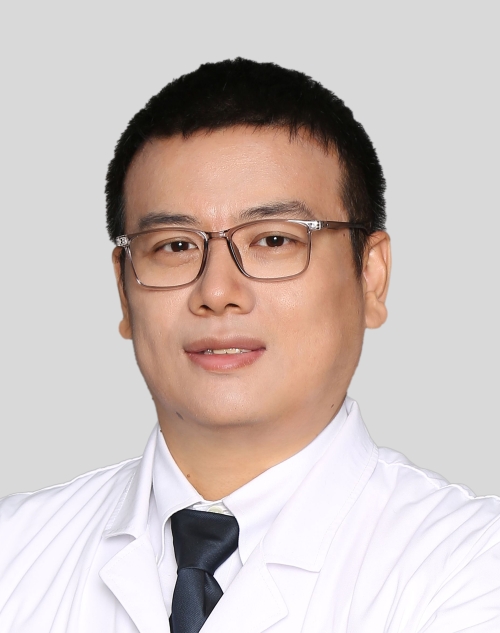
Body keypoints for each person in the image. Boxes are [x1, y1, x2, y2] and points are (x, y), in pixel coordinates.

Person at [0, 58, 498, 633]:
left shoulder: (472, 566)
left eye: (274, 240)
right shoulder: (14, 551)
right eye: (175, 246)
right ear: (123, 288)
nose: (217, 293)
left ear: (371, 276)